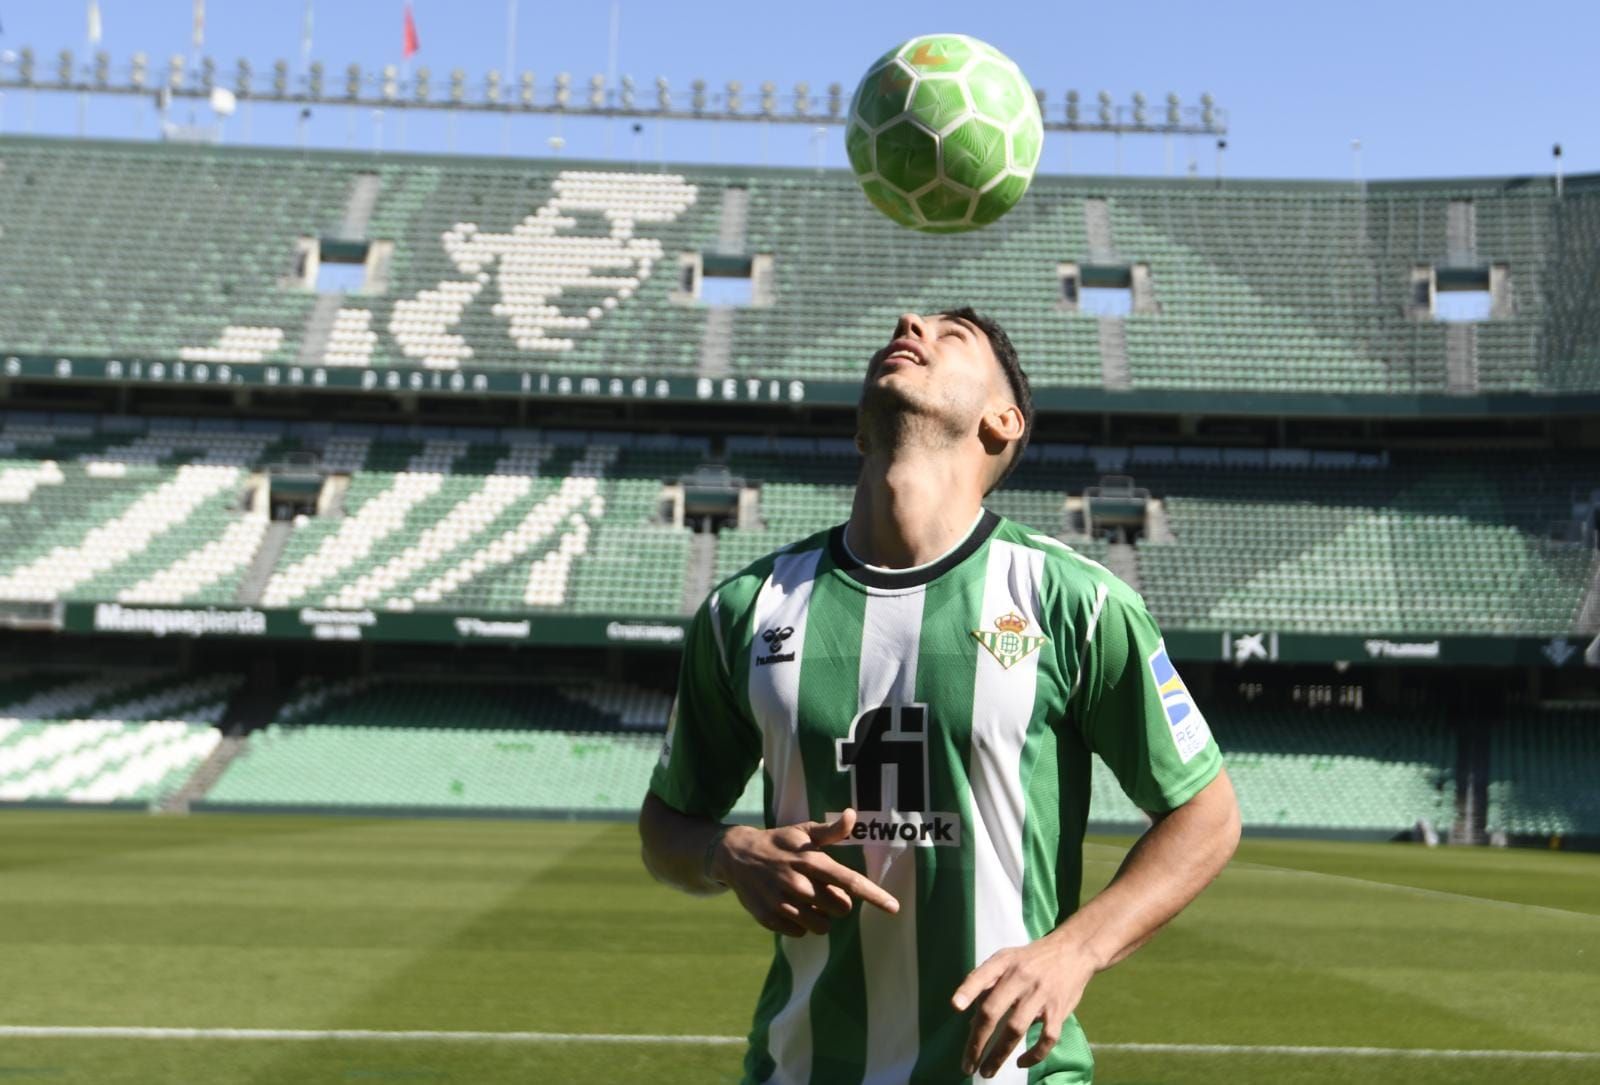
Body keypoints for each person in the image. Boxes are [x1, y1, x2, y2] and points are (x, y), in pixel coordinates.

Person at [639, 308, 1241, 1083]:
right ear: (860, 430)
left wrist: (1074, 950)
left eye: (952, 334)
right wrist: (724, 852)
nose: (909, 322)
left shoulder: (1076, 601)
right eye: (908, 326)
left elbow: (1207, 813)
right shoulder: (744, 609)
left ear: (1003, 420)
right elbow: (666, 824)